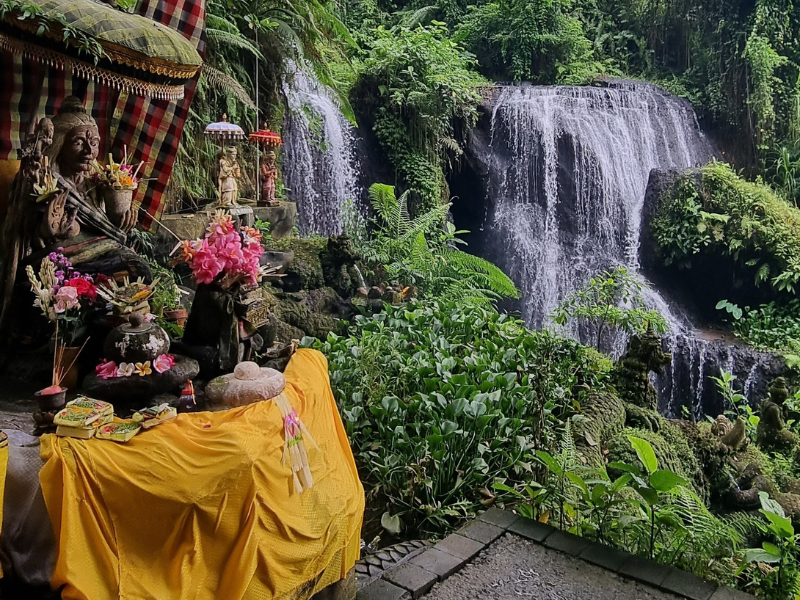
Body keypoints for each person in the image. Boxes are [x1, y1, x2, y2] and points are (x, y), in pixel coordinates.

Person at [0, 96, 150, 344]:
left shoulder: (96, 185)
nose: (89, 151)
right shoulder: (42, 180)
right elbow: (23, 230)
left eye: (93, 142)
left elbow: (101, 229)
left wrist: (116, 222)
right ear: (60, 143)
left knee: (138, 268)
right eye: (79, 142)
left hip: (98, 251)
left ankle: (121, 327)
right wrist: (48, 229)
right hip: (53, 258)